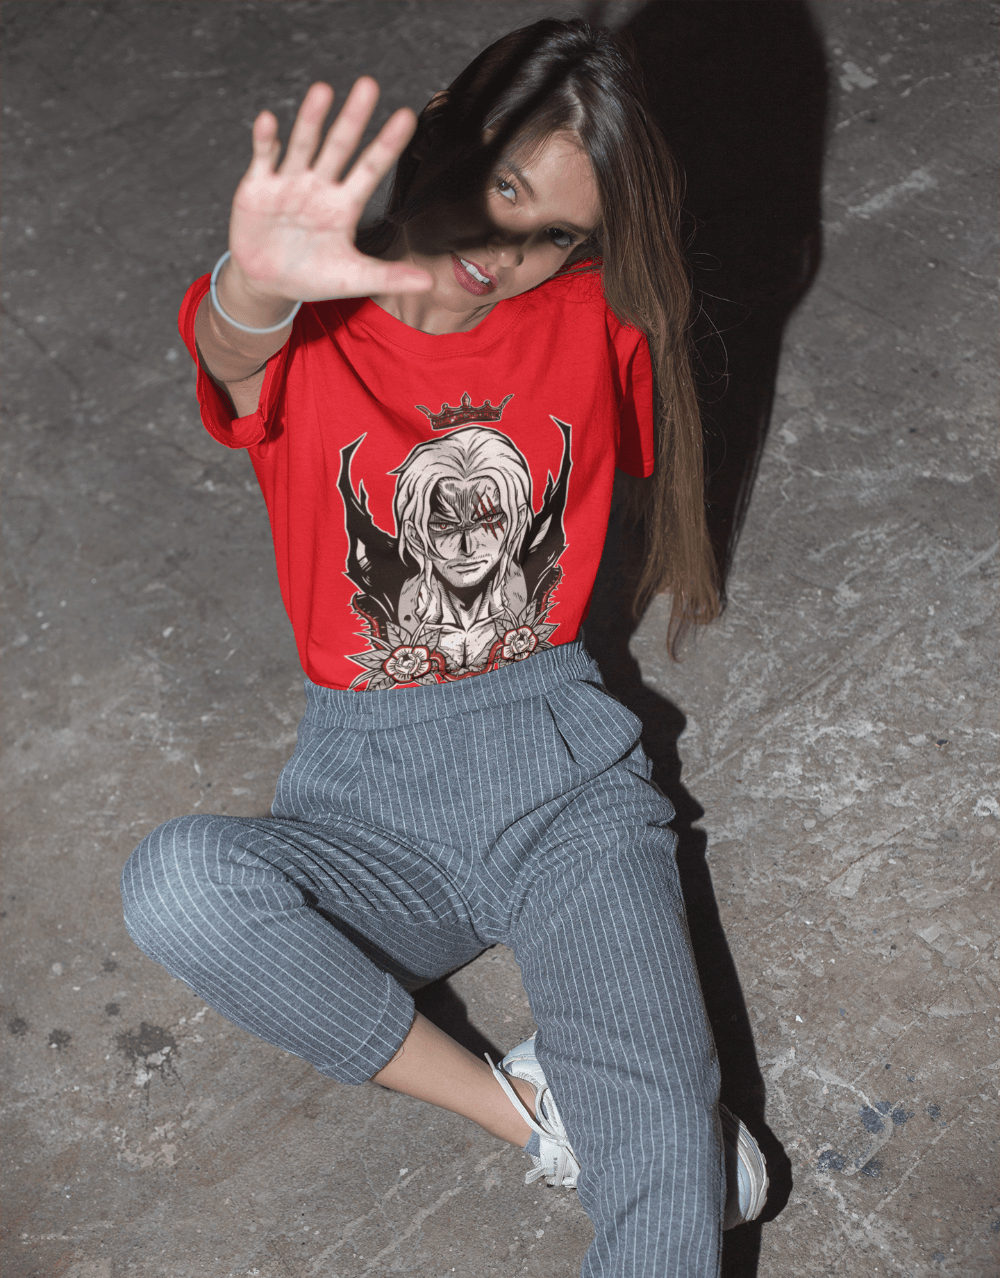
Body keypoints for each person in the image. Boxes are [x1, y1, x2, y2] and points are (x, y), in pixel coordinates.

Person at [121, 19, 768, 1276]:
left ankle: (625, 1123)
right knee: (179, 885)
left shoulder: (596, 321)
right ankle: (527, 1110)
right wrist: (256, 281)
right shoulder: (308, 321)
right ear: (442, 128)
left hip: (567, 788)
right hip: (367, 811)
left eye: (558, 233)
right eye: (506, 187)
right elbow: (229, 345)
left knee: (668, 1205)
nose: (508, 252)